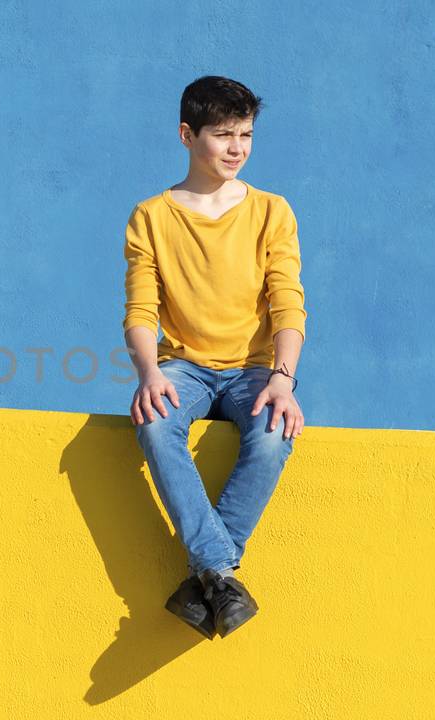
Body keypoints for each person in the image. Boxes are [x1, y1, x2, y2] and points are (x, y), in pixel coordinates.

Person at [121, 75, 307, 640]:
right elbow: (140, 310)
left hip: (255, 371)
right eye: (223, 134)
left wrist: (283, 378)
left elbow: (287, 302)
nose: (237, 148)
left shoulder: (272, 211)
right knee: (155, 424)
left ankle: (208, 574)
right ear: (187, 135)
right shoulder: (151, 216)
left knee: (275, 433)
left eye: (246, 134)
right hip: (184, 368)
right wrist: (149, 373)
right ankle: (221, 574)